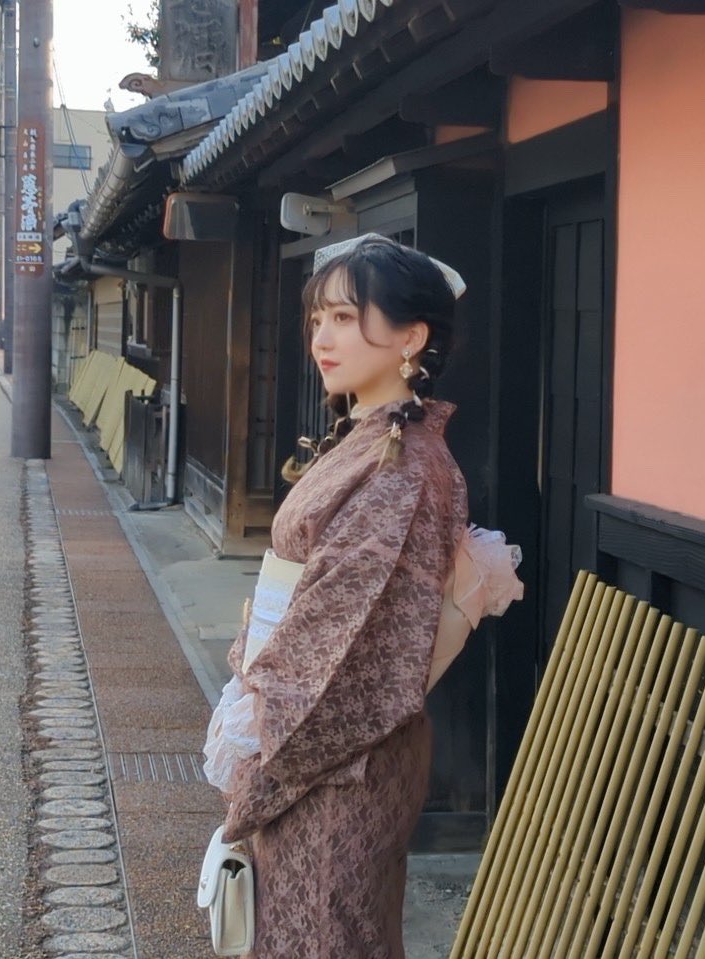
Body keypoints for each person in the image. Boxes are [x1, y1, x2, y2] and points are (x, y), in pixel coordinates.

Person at [208, 235, 521, 958]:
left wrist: (260, 771)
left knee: (324, 934)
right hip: (318, 747)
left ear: (411, 337)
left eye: (345, 318)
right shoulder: (370, 441)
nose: (321, 338)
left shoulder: (400, 467)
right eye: (318, 318)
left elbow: (352, 655)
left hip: (332, 759)